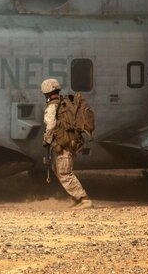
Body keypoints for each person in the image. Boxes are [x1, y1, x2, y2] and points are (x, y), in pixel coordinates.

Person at [41, 78, 93, 209]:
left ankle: (84, 199)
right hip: (72, 142)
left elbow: (51, 125)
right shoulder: (65, 103)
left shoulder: (52, 106)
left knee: (64, 172)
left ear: (46, 92)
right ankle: (77, 199)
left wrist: (47, 140)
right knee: (58, 169)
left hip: (63, 144)